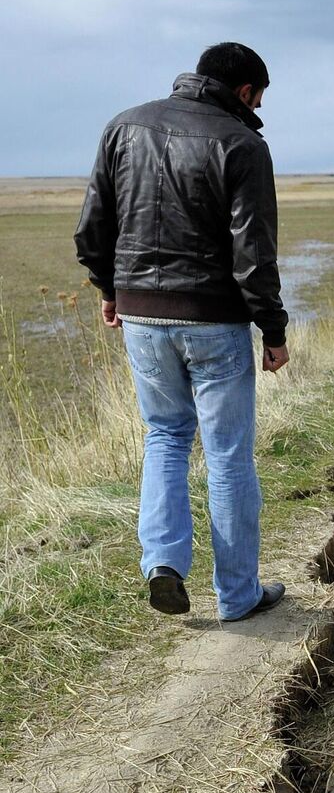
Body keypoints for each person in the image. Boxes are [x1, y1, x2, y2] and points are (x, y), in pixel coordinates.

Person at [75, 42, 289, 621]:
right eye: (259, 99)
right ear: (245, 91)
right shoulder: (243, 143)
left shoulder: (124, 126)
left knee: (165, 437)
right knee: (227, 456)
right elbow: (253, 252)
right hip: (215, 321)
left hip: (141, 316)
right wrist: (273, 329)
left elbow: (94, 223)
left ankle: (163, 564)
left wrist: (109, 290)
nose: (258, 111)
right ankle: (238, 596)